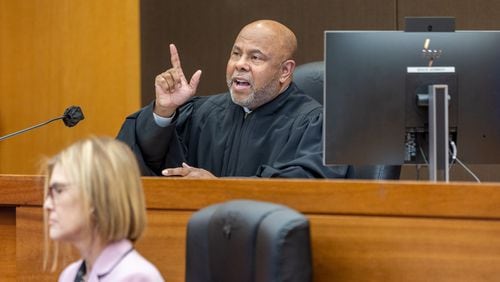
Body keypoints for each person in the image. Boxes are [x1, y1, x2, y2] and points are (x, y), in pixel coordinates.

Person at [117, 19, 346, 178]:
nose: (240, 64)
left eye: (255, 57)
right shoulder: (202, 114)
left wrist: (219, 190)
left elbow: (307, 187)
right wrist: (163, 112)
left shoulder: (313, 125)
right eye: (236, 54)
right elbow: (139, 162)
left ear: (285, 71)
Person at [42, 136, 164, 282]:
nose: (47, 205)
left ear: (96, 197)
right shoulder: (70, 275)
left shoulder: (137, 277)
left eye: (59, 190)